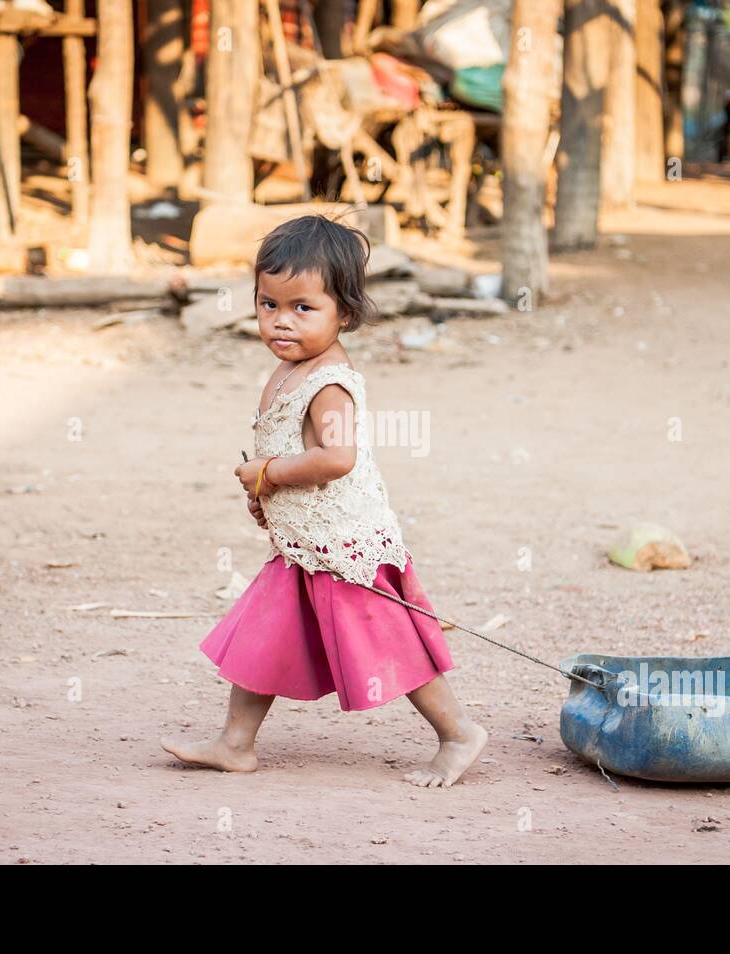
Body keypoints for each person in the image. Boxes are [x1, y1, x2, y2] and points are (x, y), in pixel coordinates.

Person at [161, 215, 488, 788]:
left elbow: (339, 458)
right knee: (265, 631)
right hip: (304, 544)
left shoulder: (329, 381)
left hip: (343, 546)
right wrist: (268, 493)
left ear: (346, 312)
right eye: (269, 304)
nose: (282, 321)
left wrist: (267, 472)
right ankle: (236, 743)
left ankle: (459, 732)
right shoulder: (293, 367)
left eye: (303, 308)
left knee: (387, 638)